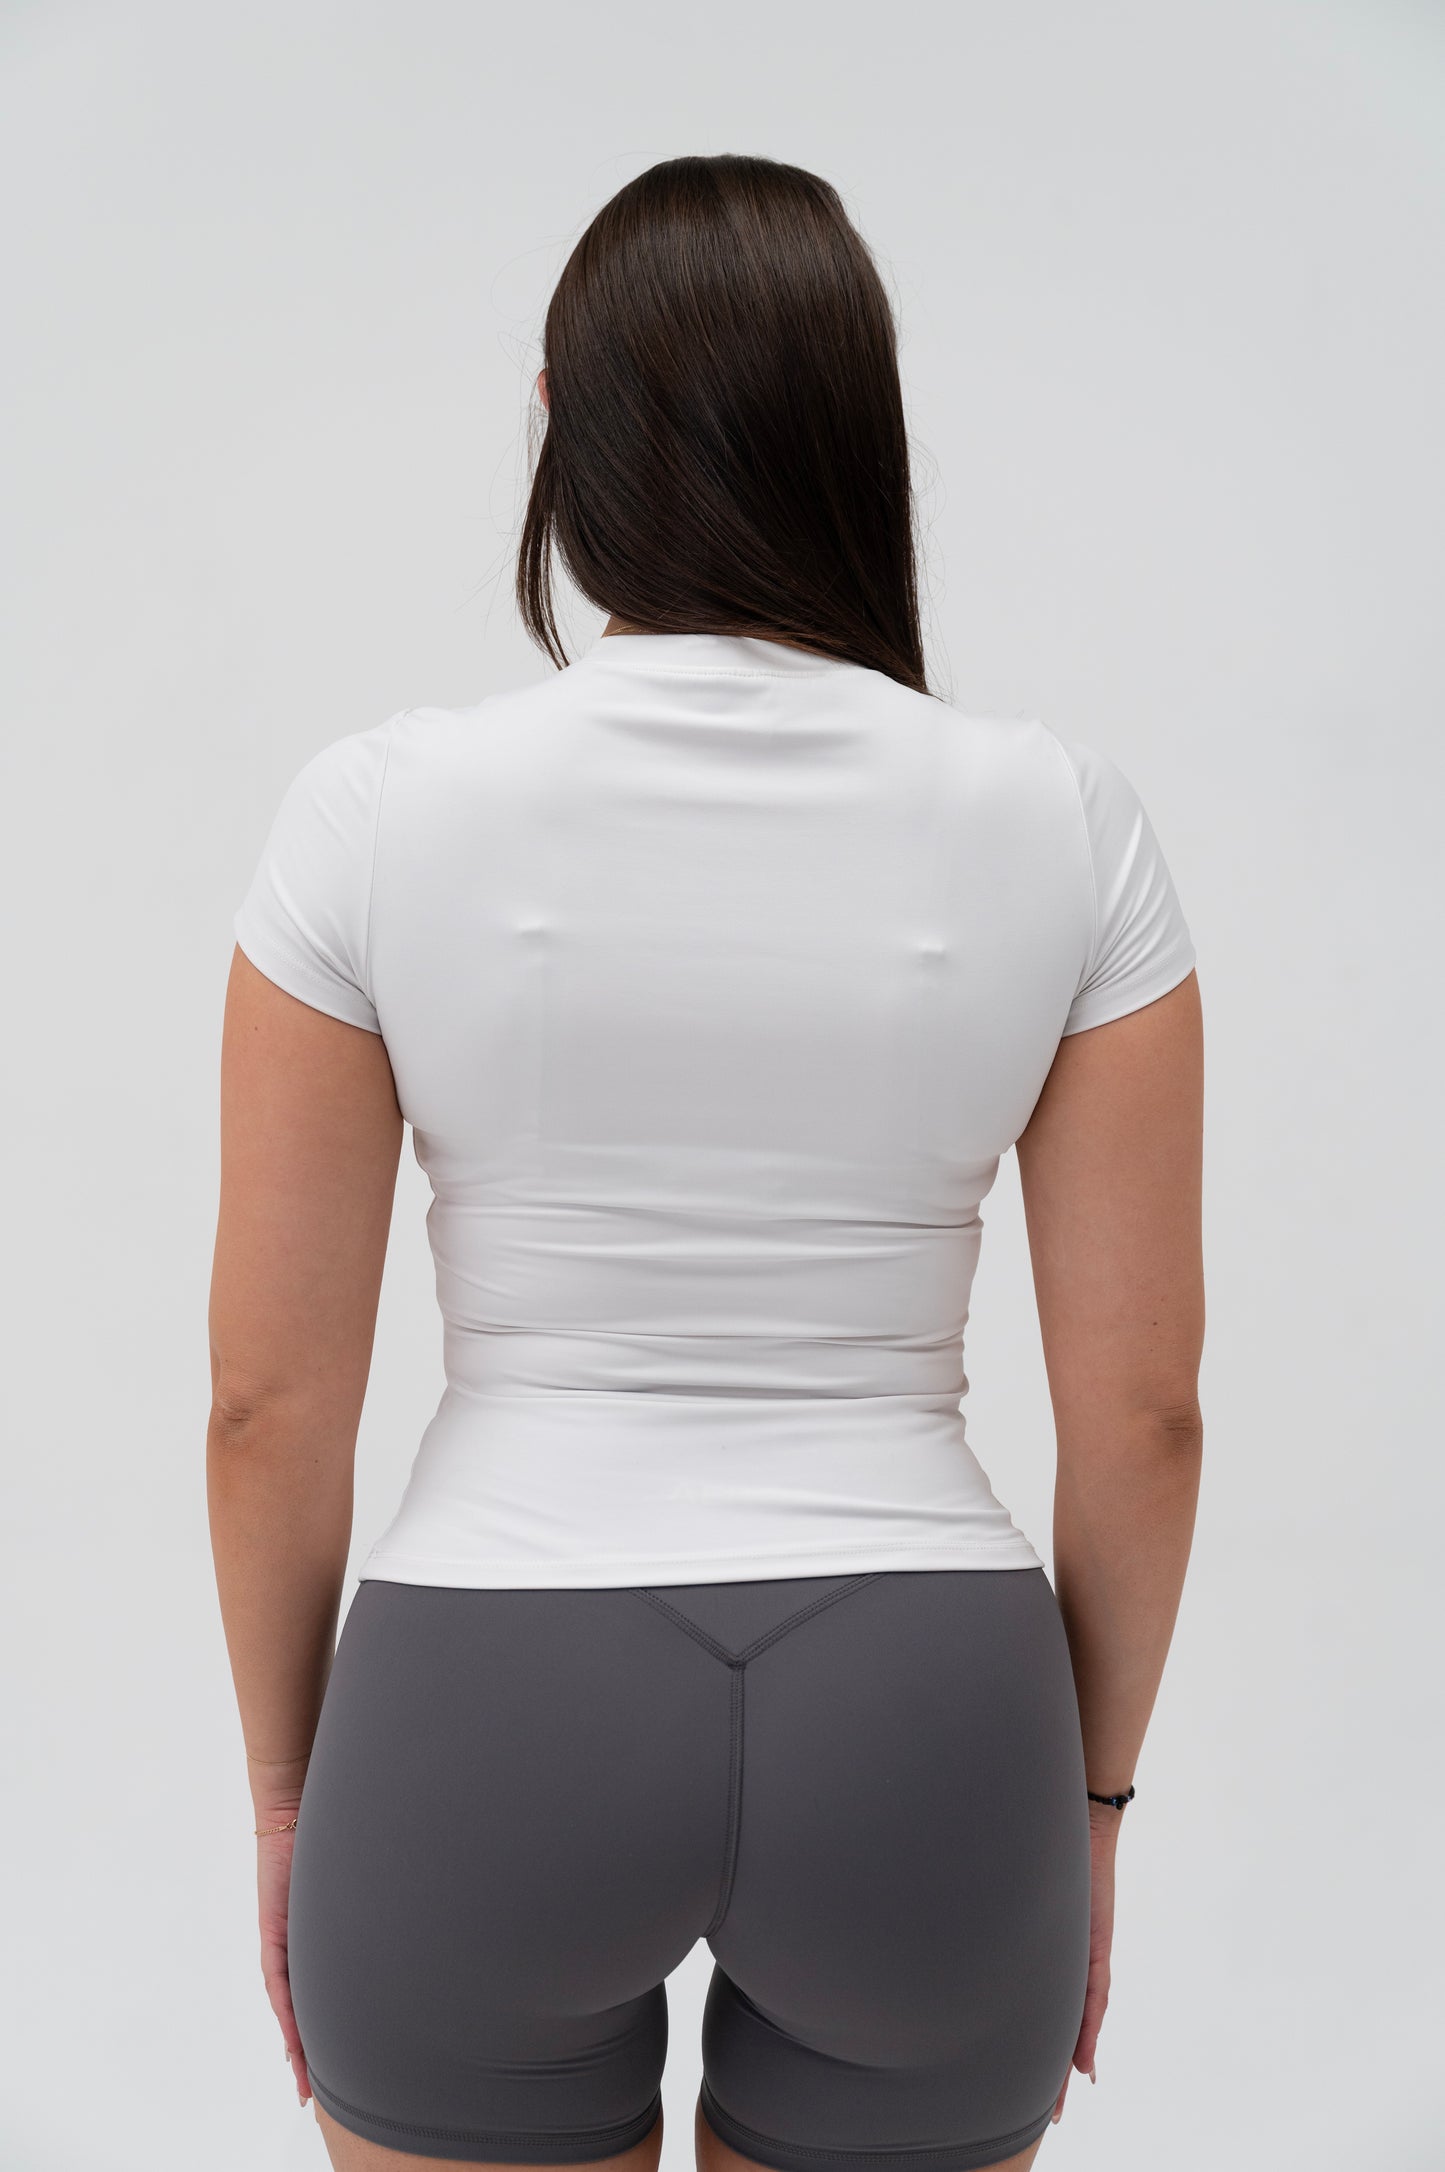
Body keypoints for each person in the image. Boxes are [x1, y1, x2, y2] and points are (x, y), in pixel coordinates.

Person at [208, 153, 1204, 2172]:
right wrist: (1085, 1810)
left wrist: (293, 1797)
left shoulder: (374, 815)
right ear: (859, 439)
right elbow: (1146, 1418)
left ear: (561, 439)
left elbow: (265, 1406)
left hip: (487, 1698)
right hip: (926, 1713)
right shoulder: (1063, 821)